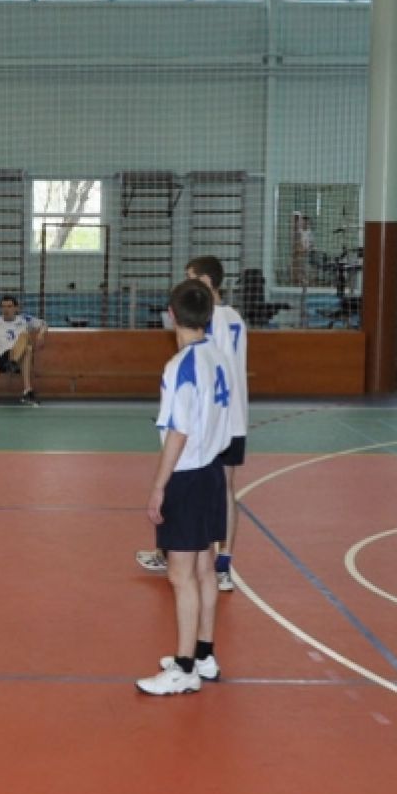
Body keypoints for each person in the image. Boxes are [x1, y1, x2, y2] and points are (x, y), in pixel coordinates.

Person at [136, 279, 236, 696]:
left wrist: (159, 486)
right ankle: (204, 654)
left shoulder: (181, 365)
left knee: (180, 576)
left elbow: (178, 432)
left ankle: (183, 668)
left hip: (188, 474)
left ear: (171, 315)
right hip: (212, 470)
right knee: (204, 568)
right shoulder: (218, 356)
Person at [137, 257, 249, 592]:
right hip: (233, 414)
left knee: (196, 486)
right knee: (224, 490)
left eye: (191, 277)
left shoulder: (208, 323)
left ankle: (185, 555)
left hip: (211, 420)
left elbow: (203, 367)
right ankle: (221, 563)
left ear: (206, 281)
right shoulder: (236, 318)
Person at [0, 295, 46, 406]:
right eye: (3, 307)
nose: (6, 310)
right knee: (26, 340)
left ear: (16, 308)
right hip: (3, 360)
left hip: (21, 361)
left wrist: (41, 334)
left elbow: (43, 324)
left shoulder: (24, 319)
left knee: (27, 346)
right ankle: (13, 364)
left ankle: (27, 390)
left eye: (9, 306)